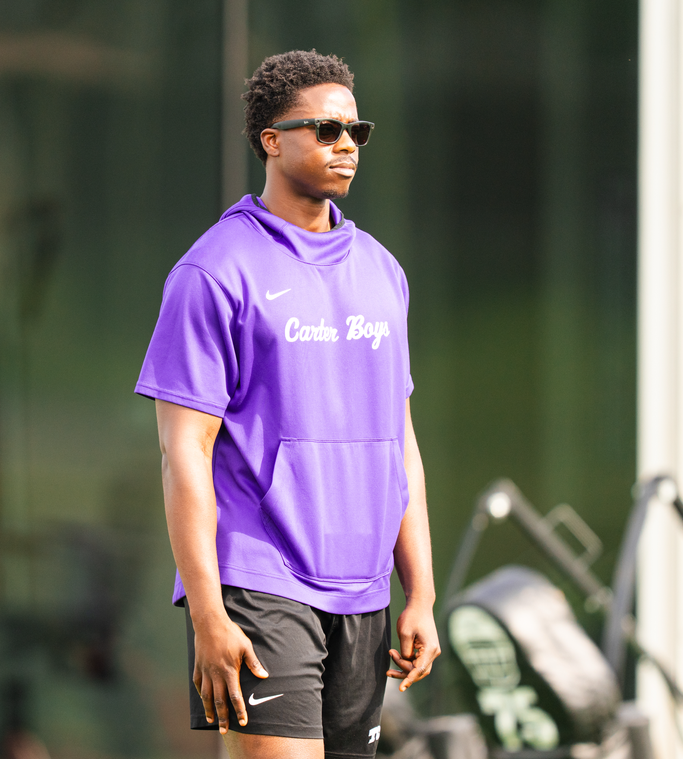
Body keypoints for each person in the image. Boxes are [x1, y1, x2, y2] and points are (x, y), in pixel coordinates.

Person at [135, 49, 439, 759]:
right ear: (271, 139)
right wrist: (207, 611)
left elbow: (400, 442)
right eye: (325, 130)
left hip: (362, 587)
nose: (345, 147)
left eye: (355, 133)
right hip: (261, 578)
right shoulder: (214, 272)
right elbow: (185, 451)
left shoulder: (381, 271)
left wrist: (418, 588)